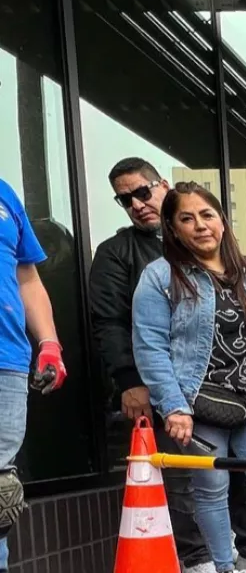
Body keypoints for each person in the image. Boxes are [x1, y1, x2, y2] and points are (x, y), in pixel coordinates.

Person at [88, 158, 246, 573]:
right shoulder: (118, 253)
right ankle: (197, 557)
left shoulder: (214, 249)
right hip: (168, 388)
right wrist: (130, 380)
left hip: (231, 388)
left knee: (241, 470)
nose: (136, 204)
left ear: (163, 186)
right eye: (125, 199)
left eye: (143, 191)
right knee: (188, 476)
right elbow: (110, 322)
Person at [131, 182, 246, 573]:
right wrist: (173, 406)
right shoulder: (160, 277)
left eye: (207, 215)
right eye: (186, 219)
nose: (200, 225)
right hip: (198, 405)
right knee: (210, 490)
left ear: (222, 221)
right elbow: (150, 347)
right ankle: (225, 568)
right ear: (172, 228)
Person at [0, 177, 66, 572]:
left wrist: (50, 344)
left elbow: (27, 278)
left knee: (1, 494)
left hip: (7, 361)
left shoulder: (5, 193)